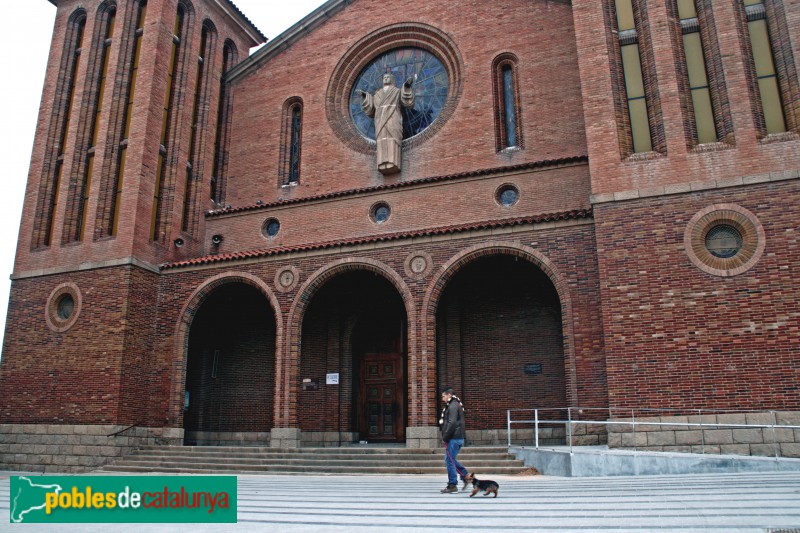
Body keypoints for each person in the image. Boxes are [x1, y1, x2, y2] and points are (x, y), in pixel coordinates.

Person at [359, 72, 414, 175]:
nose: (386, 79)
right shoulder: (378, 94)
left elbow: (406, 101)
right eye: (384, 77)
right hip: (379, 120)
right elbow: (371, 109)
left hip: (393, 117)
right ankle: (382, 162)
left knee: (393, 138)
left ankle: (393, 161)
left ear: (393, 80)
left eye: (388, 77)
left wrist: (406, 86)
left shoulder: (396, 91)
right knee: (381, 139)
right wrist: (365, 96)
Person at [439, 387, 468, 493]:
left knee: (449, 461)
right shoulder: (455, 405)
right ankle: (466, 476)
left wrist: (445, 437)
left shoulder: (452, 406)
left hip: (454, 438)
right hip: (457, 437)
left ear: (449, 395)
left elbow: (452, 423)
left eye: (443, 396)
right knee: (450, 460)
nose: (442, 399)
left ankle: (452, 485)